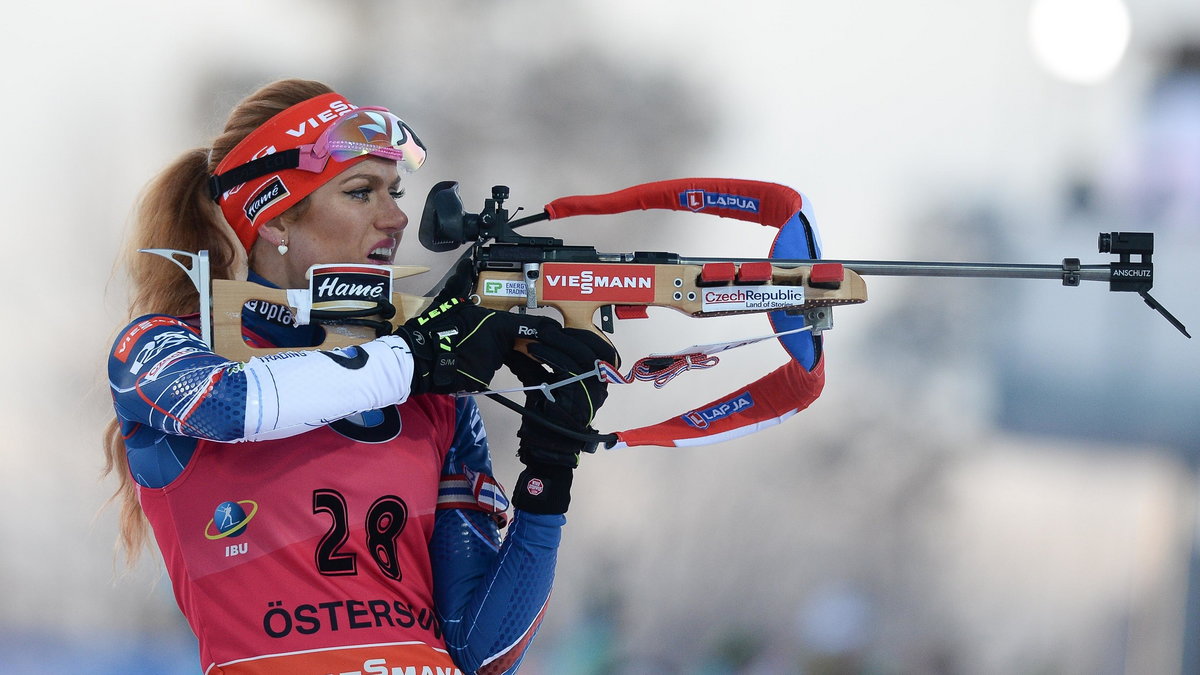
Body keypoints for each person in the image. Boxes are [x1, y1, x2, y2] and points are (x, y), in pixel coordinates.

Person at [102, 78, 615, 675]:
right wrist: (414, 358)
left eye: (394, 190)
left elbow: (484, 649)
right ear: (273, 220)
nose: (396, 217)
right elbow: (231, 405)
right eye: (360, 192)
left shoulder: (434, 399)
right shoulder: (167, 344)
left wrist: (549, 471)